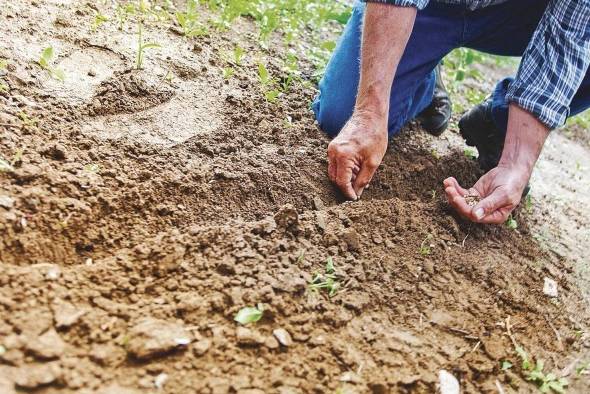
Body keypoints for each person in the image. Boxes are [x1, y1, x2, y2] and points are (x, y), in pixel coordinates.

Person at [312, 0, 590, 224]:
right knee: (341, 115)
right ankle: (423, 81)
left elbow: (570, 36)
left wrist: (516, 163)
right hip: (430, 8)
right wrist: (369, 114)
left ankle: (500, 124)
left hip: (518, 13)